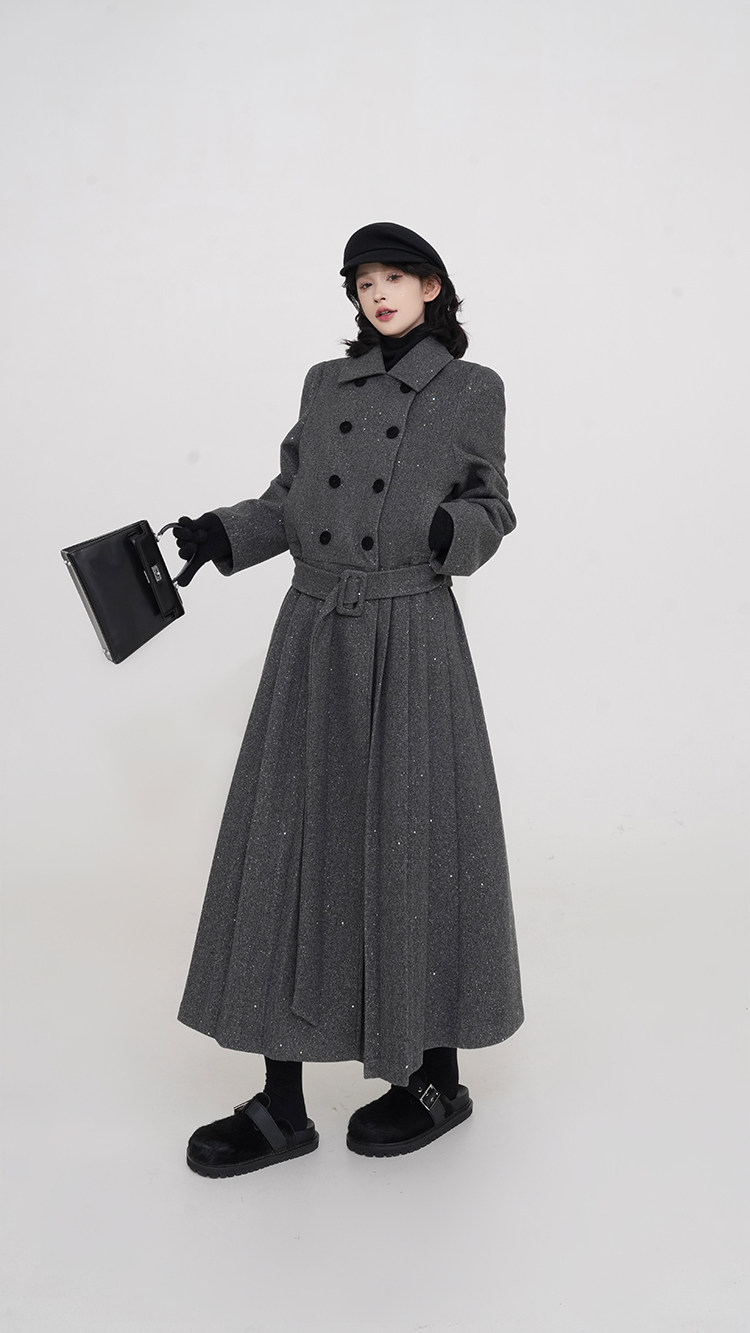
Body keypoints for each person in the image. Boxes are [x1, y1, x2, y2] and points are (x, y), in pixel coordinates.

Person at [174, 221, 524, 1177]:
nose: (378, 294)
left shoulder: (471, 387)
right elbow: (290, 498)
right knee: (285, 844)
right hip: (314, 633)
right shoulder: (325, 384)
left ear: (432, 286)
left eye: (394, 277)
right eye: (364, 281)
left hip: (411, 634)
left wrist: (452, 529)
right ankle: (281, 1104)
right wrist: (222, 533)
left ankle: (435, 1077)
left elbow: (494, 502)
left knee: (416, 838)